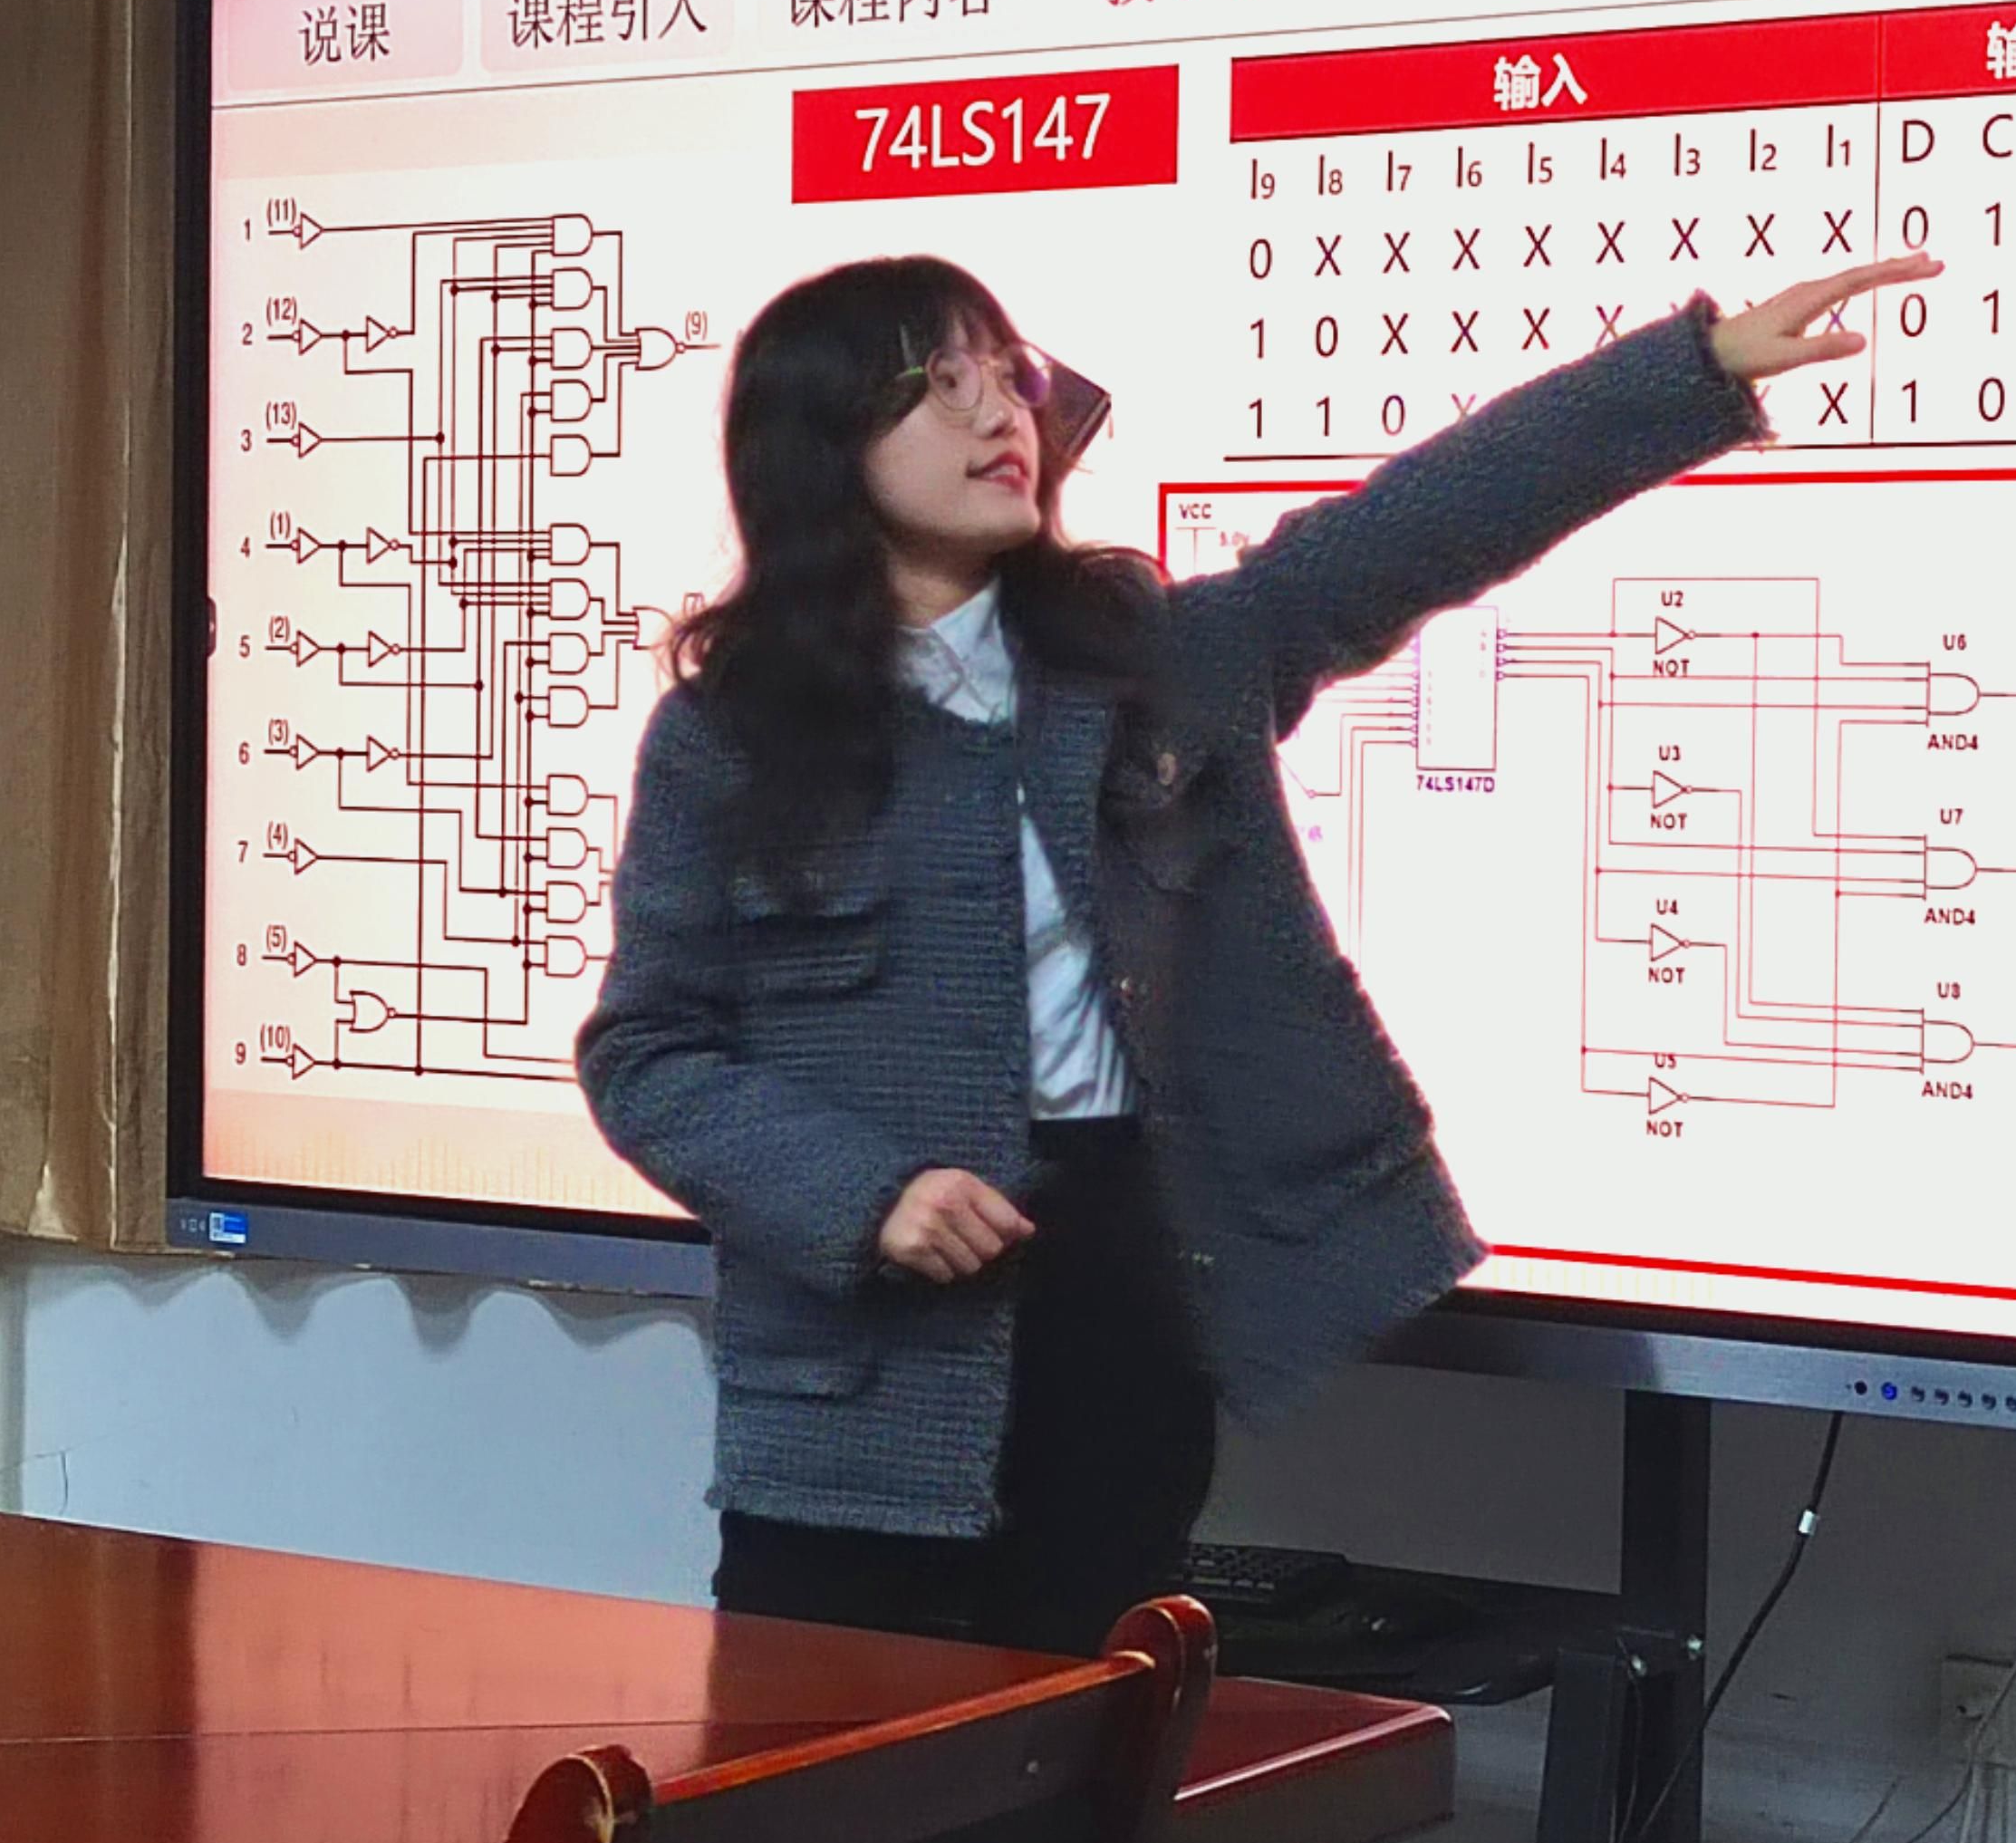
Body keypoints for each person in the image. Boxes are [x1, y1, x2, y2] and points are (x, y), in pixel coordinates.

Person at [576, 247, 1937, 1654]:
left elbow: (1408, 531)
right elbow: (650, 1056)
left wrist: (1689, 375)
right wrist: (864, 1197)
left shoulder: (1154, 662)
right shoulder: (731, 740)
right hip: (853, 1371)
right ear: (823, 446)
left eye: (1011, 373)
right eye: (942, 381)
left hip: (1118, 1303)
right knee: (827, 1766)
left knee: (1087, 1756)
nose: (1001, 411)